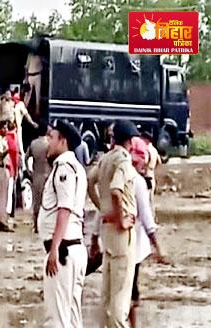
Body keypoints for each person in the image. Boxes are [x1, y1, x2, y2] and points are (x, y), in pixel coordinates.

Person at [87, 120, 140, 328]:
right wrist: (121, 218)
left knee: (107, 301)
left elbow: (90, 183)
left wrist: (103, 209)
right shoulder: (123, 161)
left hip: (107, 231)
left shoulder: (105, 159)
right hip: (121, 233)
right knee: (119, 304)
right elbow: (117, 190)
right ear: (129, 141)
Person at [38, 120, 87, 328]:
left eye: (52, 138)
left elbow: (64, 209)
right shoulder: (77, 167)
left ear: (63, 141)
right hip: (74, 247)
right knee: (72, 317)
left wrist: (55, 249)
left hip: (63, 250)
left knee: (57, 319)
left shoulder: (64, 168)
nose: (48, 142)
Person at [128, 136, 168, 328]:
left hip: (120, 242)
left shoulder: (118, 173)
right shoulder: (136, 180)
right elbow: (146, 218)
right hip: (132, 245)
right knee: (131, 289)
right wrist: (157, 247)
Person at [26, 123, 51, 233]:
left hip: (37, 174)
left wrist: (28, 171)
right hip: (48, 174)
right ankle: (46, 225)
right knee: (48, 201)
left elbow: (26, 158)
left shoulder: (33, 143)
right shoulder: (49, 144)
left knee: (37, 202)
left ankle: (36, 225)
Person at [0, 120, 13, 233]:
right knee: (2, 197)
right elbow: (0, 154)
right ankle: (2, 222)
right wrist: (8, 151)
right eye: (4, 128)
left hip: (3, 168)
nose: (6, 130)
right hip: (1, 167)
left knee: (1, 196)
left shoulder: (1, 139)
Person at [141, 131, 161, 222]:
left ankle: (148, 220)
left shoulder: (146, 150)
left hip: (146, 175)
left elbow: (144, 162)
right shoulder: (154, 150)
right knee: (151, 199)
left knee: (145, 200)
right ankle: (152, 218)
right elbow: (159, 162)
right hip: (152, 173)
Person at [13, 91, 38, 156]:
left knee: (19, 146)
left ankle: (23, 162)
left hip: (17, 128)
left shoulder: (20, 105)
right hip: (10, 129)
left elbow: (26, 115)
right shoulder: (12, 104)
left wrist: (32, 123)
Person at [6, 122, 19, 220]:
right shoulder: (14, 139)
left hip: (3, 168)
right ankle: (11, 213)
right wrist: (16, 171)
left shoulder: (3, 138)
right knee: (11, 191)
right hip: (11, 169)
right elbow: (15, 158)